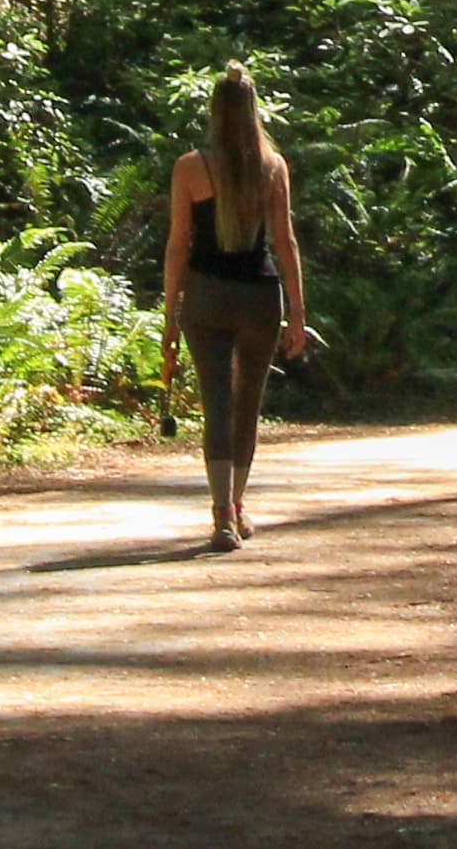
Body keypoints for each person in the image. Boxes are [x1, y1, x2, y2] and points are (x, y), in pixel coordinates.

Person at [161, 63, 307, 551]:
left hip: (206, 295)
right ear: (253, 109)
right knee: (248, 403)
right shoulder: (273, 166)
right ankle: (237, 504)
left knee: (216, 404)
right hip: (259, 296)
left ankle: (222, 512)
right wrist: (298, 314)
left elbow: (179, 244)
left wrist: (169, 317)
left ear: (213, 112)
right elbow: (285, 243)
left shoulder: (189, 167)